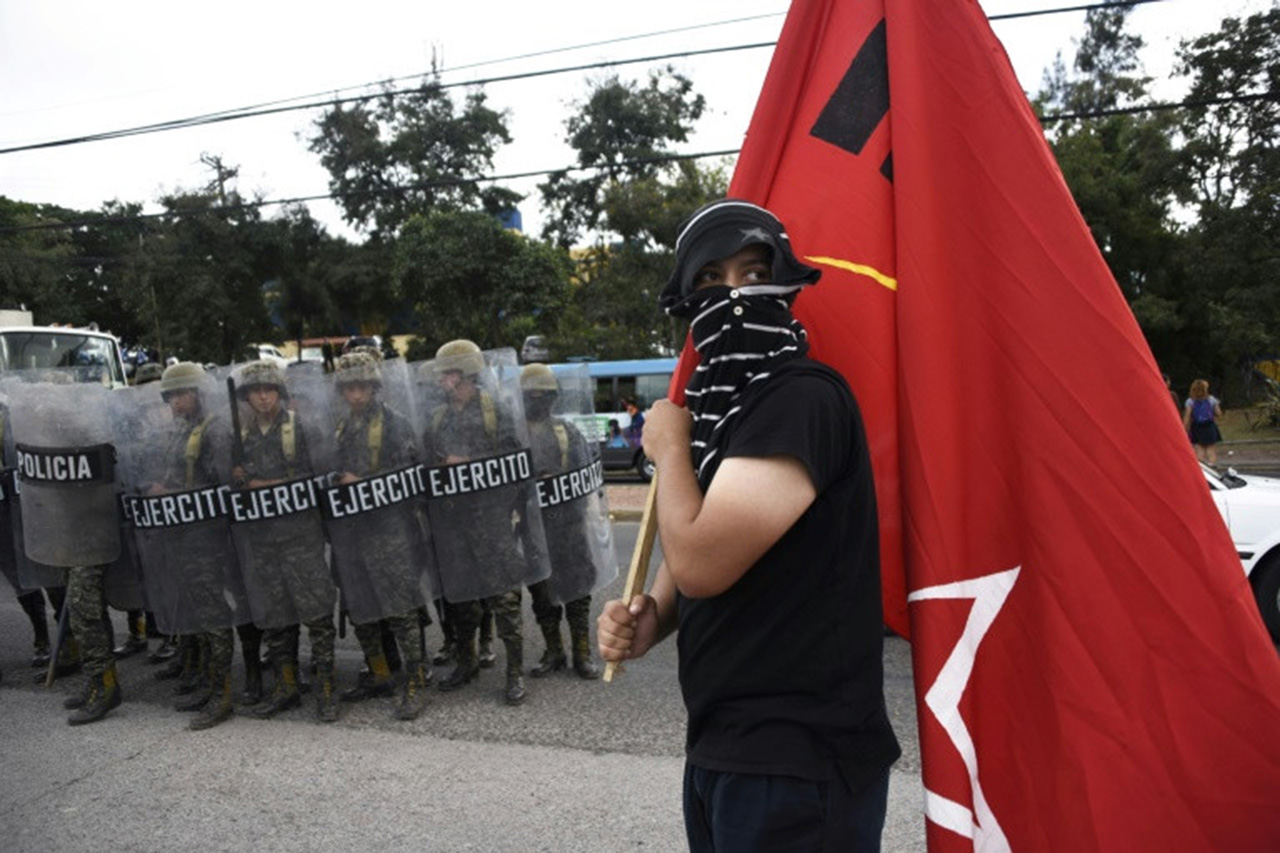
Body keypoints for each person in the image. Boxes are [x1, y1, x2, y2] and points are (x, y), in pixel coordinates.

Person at [597, 199, 901, 851]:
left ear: (787, 286)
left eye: (753, 273)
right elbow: (695, 543)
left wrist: (670, 449)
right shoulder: (714, 409)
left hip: (797, 761)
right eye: (710, 280)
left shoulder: (799, 397)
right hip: (723, 748)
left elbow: (706, 559)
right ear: (685, 303)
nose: (733, 295)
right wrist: (658, 614)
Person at [420, 340, 531, 706]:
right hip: (454, 523)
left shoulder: (494, 409)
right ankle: (466, 662)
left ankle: (515, 671)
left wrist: (467, 462)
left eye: (447, 373)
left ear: (465, 374)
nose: (441, 381)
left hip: (490, 520)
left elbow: (515, 461)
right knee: (462, 600)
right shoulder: (437, 416)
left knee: (505, 599)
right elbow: (427, 466)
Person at [230, 361, 339, 722]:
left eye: (269, 389)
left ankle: (325, 688)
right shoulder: (240, 436)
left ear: (280, 393)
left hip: (300, 538)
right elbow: (233, 490)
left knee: (318, 614)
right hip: (262, 541)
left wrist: (262, 485)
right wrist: (239, 480)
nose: (263, 396)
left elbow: (319, 478)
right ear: (246, 397)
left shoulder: (300, 429)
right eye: (256, 391)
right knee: (277, 618)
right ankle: (286, 686)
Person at [329, 351, 433, 720]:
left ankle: (416, 679)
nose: (356, 395)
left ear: (374, 387)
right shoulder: (340, 426)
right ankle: (380, 673)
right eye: (349, 388)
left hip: (390, 532)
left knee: (401, 611)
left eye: (362, 387)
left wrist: (364, 483)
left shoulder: (395, 423)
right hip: (351, 535)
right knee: (361, 610)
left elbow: (411, 476)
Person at [520, 363, 607, 680]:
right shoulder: (514, 437)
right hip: (533, 529)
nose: (538, 400)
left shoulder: (568, 432)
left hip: (568, 528)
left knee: (577, 592)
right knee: (542, 596)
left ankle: (582, 653)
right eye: (531, 395)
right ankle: (553, 650)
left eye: (544, 395)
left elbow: (587, 478)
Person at [1184, 378, 1224, 465]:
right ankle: (1212, 465)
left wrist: (1185, 428)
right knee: (1211, 449)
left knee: (1199, 450)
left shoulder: (1190, 401)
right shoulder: (1211, 399)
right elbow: (1218, 413)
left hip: (1197, 427)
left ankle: (1202, 470)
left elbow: (1188, 416)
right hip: (1209, 426)